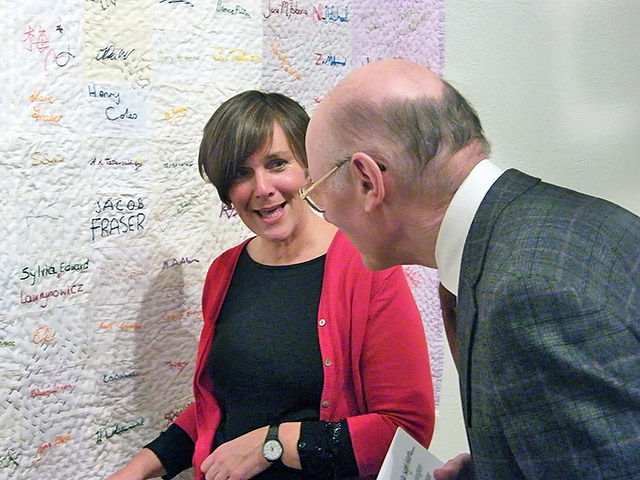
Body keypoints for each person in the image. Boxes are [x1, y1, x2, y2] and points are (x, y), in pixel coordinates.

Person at [303, 58, 640, 479]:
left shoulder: (526, 295)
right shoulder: (569, 223)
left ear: (368, 181)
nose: (327, 217)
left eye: (317, 193)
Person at [106, 90, 436, 480]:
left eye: (277, 163)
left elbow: (405, 426)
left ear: (310, 168)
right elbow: (218, 407)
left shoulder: (368, 268)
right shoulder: (224, 271)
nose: (262, 187)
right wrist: (136, 468)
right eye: (242, 173)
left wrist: (271, 444)